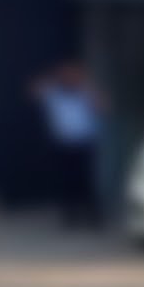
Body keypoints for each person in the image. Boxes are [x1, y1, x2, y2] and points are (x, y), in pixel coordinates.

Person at [31, 63, 105, 226]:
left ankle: (94, 217)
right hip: (62, 144)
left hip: (84, 144)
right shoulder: (53, 94)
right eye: (66, 75)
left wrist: (87, 85)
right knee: (65, 182)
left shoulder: (86, 93)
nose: (70, 78)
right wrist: (54, 80)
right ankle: (70, 217)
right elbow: (33, 92)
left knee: (86, 181)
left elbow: (102, 106)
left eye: (73, 75)